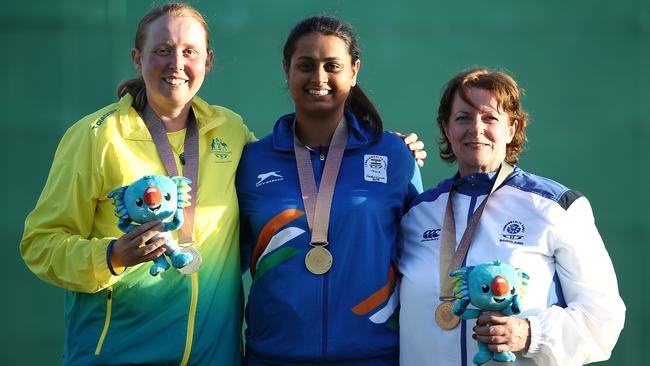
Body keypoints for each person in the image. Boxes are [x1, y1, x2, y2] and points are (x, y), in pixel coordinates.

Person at [19, 3, 255, 365]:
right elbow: (40, 243)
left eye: (189, 52)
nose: (176, 63)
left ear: (207, 61)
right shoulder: (97, 137)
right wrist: (111, 256)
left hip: (214, 357)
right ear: (137, 58)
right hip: (118, 355)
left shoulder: (231, 131)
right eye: (162, 50)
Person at [399, 68, 626, 365]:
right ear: (446, 128)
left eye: (490, 117)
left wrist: (530, 334)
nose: (476, 129)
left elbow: (602, 317)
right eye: (463, 118)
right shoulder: (418, 213)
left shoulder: (556, 207)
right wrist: (386, 150)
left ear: (512, 128)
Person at [236, 15, 423, 366]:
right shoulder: (252, 161)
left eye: (331, 66)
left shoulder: (394, 156)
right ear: (286, 70)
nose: (318, 78)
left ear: (354, 72)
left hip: (374, 357)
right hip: (274, 357)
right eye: (305, 65)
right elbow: (225, 262)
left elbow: (420, 256)